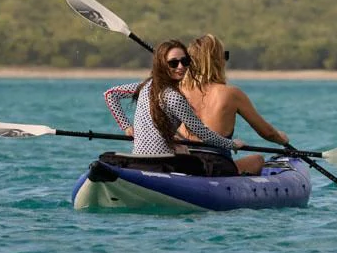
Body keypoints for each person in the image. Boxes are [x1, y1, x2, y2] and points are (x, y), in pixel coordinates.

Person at [103, 39, 245, 176]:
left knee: (182, 148)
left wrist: (125, 126)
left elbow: (111, 94)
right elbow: (203, 133)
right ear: (162, 65)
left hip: (139, 159)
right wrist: (231, 144)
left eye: (185, 62)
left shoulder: (146, 85)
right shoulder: (174, 97)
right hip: (163, 163)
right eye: (173, 63)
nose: (181, 67)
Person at [178, 33, 290, 177]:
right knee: (257, 160)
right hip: (216, 166)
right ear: (218, 61)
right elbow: (266, 132)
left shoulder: (176, 91)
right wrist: (282, 139)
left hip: (182, 162)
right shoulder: (232, 94)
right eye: (224, 56)